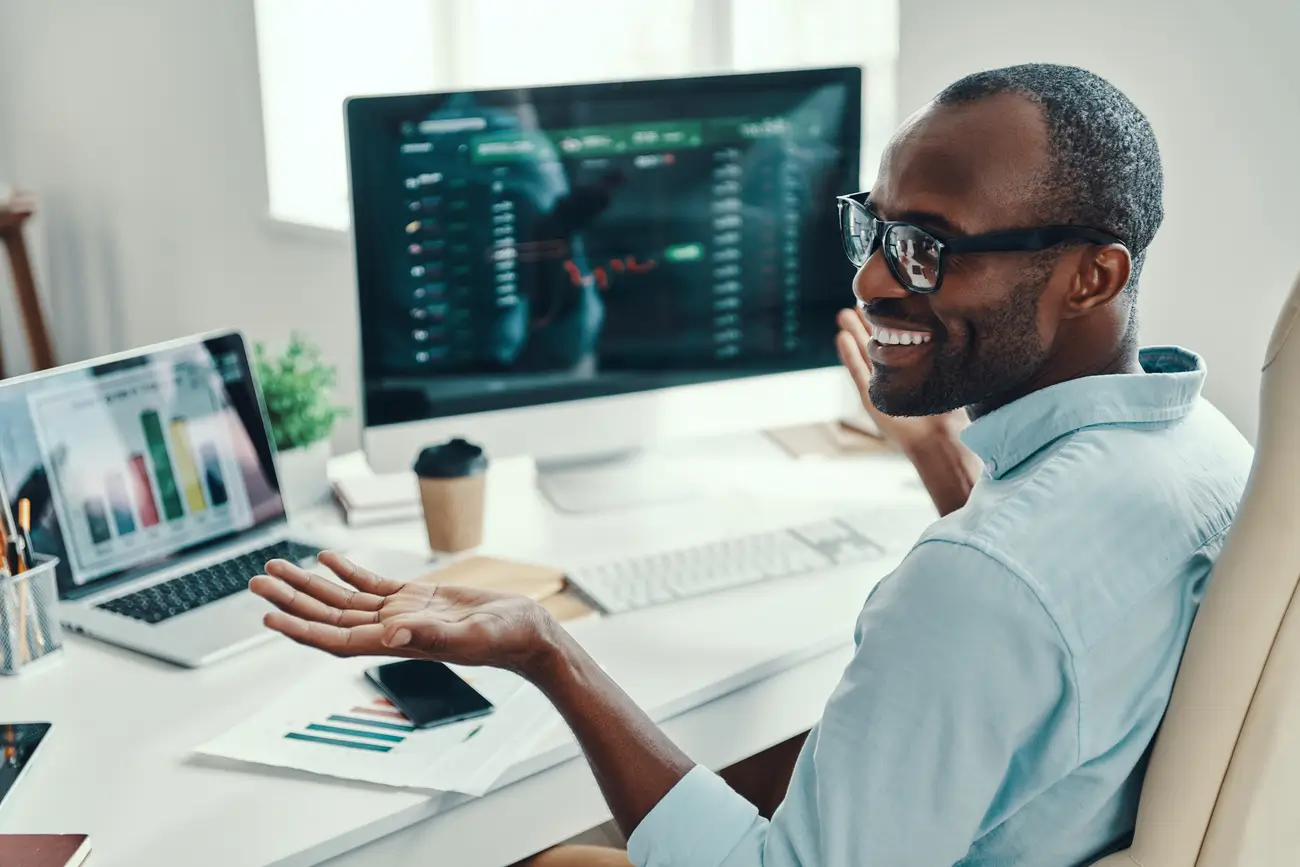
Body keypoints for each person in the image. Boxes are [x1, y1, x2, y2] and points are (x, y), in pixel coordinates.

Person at [249, 63, 1253, 867]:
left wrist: (546, 650)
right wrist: (937, 455)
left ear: (1091, 276)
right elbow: (1043, 639)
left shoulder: (978, 583)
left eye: (929, 246)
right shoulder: (1207, 455)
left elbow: (997, 598)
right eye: (875, 227)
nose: (869, 279)